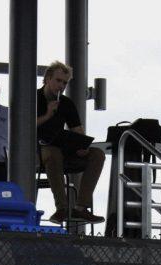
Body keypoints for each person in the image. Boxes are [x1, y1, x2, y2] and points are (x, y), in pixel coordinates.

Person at [37, 61, 104, 224]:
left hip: (62, 148)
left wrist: (82, 146)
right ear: (47, 79)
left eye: (65, 83)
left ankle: (80, 208)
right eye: (58, 81)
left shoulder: (66, 103)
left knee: (97, 154)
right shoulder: (33, 98)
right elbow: (22, 125)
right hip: (37, 149)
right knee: (53, 153)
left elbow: (77, 130)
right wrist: (47, 114)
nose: (61, 86)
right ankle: (62, 208)